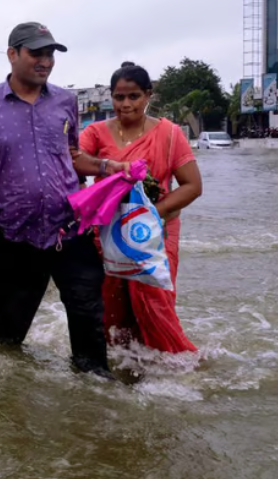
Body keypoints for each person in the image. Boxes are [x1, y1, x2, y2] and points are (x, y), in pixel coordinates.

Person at [0, 22, 131, 377]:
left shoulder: (66, 101)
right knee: (8, 339)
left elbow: (71, 155)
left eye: (50, 54)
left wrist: (110, 166)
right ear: (13, 54)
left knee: (88, 325)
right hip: (15, 242)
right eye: (36, 53)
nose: (45, 61)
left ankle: (95, 404)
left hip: (71, 233)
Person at [79, 62, 202, 354]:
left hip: (157, 230)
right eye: (119, 97)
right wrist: (105, 170)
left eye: (133, 96)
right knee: (111, 303)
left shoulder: (170, 134)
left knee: (154, 300)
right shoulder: (96, 132)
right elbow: (74, 162)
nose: (125, 104)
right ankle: (122, 365)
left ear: (148, 96)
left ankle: (175, 365)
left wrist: (147, 215)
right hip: (109, 233)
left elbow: (192, 186)